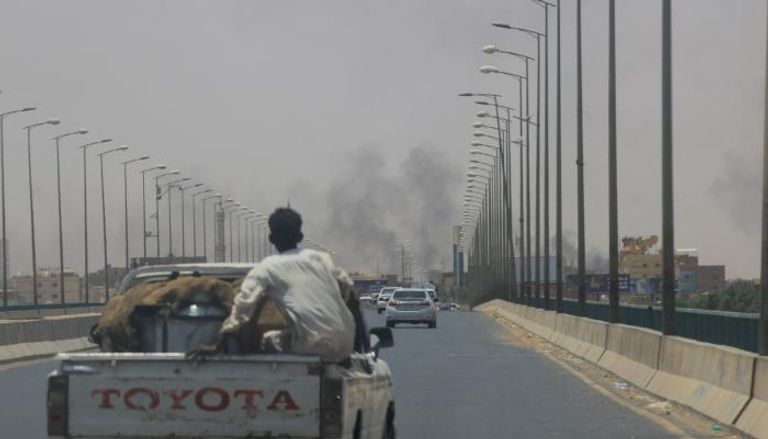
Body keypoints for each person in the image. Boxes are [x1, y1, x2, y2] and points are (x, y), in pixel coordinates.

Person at [219, 207, 356, 361]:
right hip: (346, 344)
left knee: (268, 339)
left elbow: (244, 303)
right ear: (300, 236)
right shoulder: (321, 258)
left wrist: (227, 331)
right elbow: (346, 284)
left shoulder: (267, 267)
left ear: (271, 238)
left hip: (312, 345)